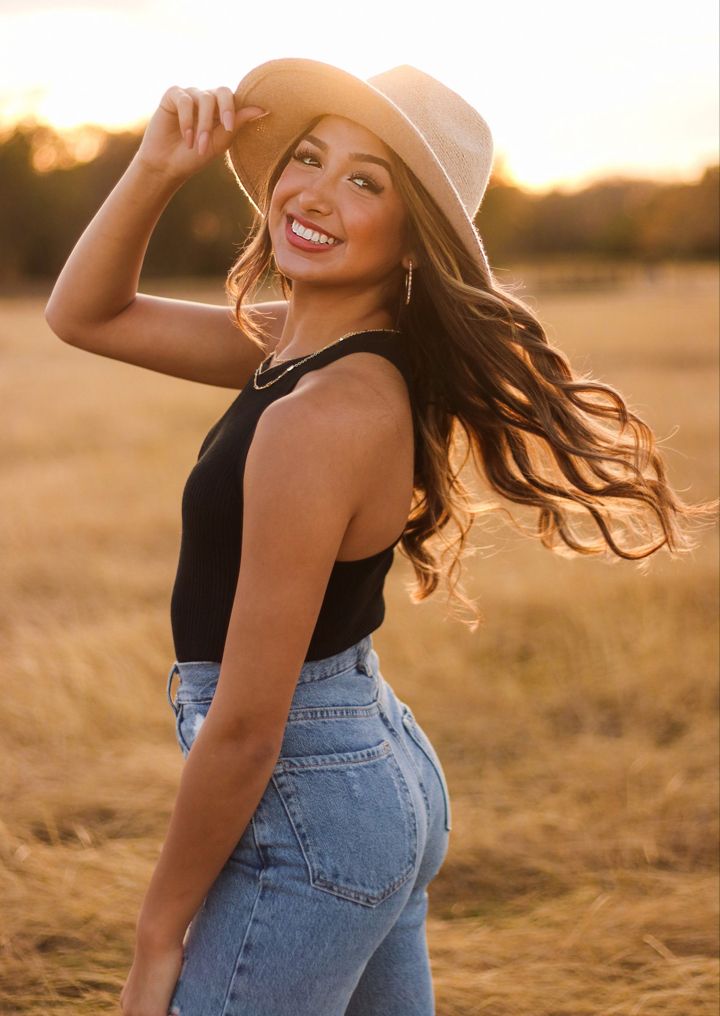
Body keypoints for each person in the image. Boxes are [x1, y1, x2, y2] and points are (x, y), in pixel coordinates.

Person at [44, 58, 715, 1016]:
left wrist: (158, 938)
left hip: (310, 808)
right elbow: (85, 314)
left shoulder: (323, 412)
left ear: (412, 240)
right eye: (307, 158)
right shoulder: (301, 347)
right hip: (367, 766)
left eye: (367, 181)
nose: (315, 193)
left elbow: (243, 728)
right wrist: (155, 167)